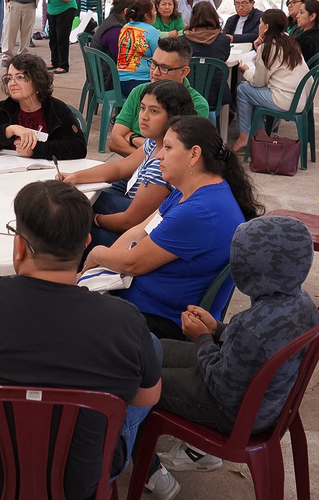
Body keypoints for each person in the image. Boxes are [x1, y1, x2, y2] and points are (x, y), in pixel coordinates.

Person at [0, 180, 164, 500]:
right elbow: (146, 397)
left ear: (19, 247)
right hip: (82, 485)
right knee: (143, 364)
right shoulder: (122, 321)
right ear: (86, 243)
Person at [155, 215, 319, 475]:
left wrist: (202, 338)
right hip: (263, 400)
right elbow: (256, 346)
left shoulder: (252, 327)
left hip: (234, 412)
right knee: (158, 348)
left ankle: (151, 470)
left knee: (141, 378)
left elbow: (221, 389)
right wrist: (216, 329)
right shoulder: (302, 302)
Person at [83, 116, 263, 342]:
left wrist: (97, 255)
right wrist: (96, 270)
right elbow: (139, 231)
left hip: (163, 319)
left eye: (168, 147)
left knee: (67, 313)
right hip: (146, 299)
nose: (158, 155)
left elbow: (133, 263)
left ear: (194, 154)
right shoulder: (188, 189)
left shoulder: (198, 211)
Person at [63, 80, 196, 249]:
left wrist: (95, 219)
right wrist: (75, 177)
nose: (144, 116)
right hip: (132, 210)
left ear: (173, 116)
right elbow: (120, 167)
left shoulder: (164, 164)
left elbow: (130, 221)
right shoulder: (155, 142)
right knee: (84, 195)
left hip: (145, 236)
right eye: (142, 108)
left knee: (77, 232)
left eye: (154, 111)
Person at [0, 53, 86, 160]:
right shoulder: (4, 109)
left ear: (37, 80)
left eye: (20, 77)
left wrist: (36, 150)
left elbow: (78, 147)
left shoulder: (57, 110)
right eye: (10, 78)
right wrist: (8, 131)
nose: (12, 83)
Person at [109, 37, 210, 157]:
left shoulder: (196, 104)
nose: (155, 72)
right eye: (153, 64)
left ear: (183, 72)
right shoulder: (139, 91)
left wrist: (132, 137)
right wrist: (152, 157)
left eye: (164, 68)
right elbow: (115, 142)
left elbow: (175, 155)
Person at [230, 10, 310, 154]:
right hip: (299, 97)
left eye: (260, 23)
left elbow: (258, 82)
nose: (258, 26)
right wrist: (258, 49)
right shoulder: (289, 41)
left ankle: (244, 137)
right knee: (250, 91)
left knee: (243, 89)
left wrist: (245, 70)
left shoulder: (268, 47)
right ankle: (260, 134)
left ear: (266, 27)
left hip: (285, 100)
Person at [178, 2, 233, 111]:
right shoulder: (224, 40)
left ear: (193, 17)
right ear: (215, 16)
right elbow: (224, 59)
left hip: (188, 96)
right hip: (217, 95)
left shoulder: (182, 41)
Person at [117, 0, 161, 96]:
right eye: (154, 10)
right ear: (147, 15)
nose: (156, 12)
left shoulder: (125, 27)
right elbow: (159, 57)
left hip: (120, 82)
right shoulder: (151, 31)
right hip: (142, 82)